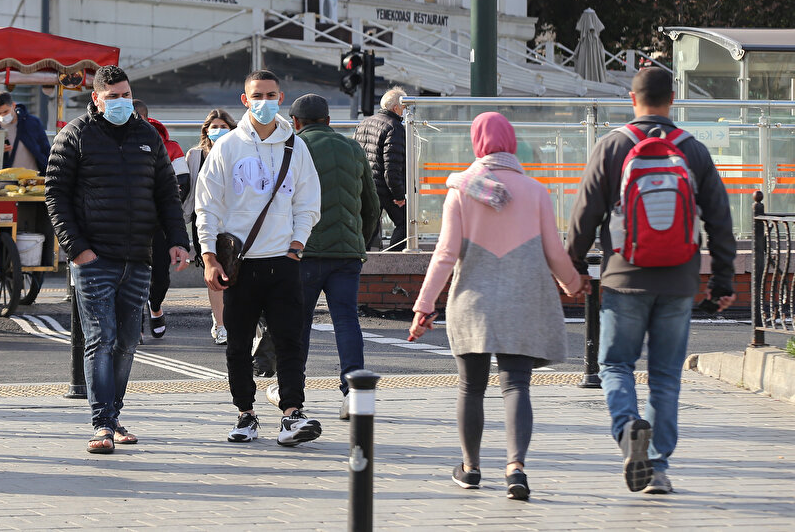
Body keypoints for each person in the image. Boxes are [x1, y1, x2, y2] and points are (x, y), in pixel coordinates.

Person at [567, 67, 736, 496]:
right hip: (679, 279)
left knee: (616, 364)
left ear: (632, 98)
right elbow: (719, 218)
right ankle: (657, 467)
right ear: (672, 98)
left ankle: (628, 432)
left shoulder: (613, 146)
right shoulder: (692, 150)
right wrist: (721, 280)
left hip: (624, 276)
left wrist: (572, 271)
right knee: (665, 376)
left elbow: (584, 217)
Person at [411, 112, 584, 499]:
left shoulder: (460, 189)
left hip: (472, 301)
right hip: (522, 301)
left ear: (477, 143)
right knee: (517, 385)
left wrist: (424, 306)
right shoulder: (536, 190)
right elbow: (554, 251)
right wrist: (573, 284)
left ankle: (470, 468)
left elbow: (444, 254)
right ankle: (515, 468)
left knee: (471, 387)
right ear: (511, 141)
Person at [45, 65, 188, 454]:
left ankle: (112, 414)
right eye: (114, 97)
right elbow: (55, 195)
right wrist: (77, 248)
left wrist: (178, 239)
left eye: (127, 95)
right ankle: (102, 423)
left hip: (138, 258)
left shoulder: (147, 136)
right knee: (101, 338)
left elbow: (167, 195)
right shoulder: (75, 135)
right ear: (96, 98)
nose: (122, 102)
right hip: (94, 259)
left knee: (126, 341)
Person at [197, 69, 323, 447]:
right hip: (242, 264)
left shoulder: (295, 146)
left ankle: (291, 415)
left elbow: (308, 200)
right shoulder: (227, 147)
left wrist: (297, 244)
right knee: (238, 344)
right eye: (257, 95)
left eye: (270, 95)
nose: (264, 102)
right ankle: (245, 413)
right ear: (244, 99)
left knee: (290, 342)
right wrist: (207, 255)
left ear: (281, 98)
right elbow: (207, 206)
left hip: (284, 262)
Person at [287, 94, 380, 422]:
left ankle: (293, 399)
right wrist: (359, 241)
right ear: (328, 120)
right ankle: (353, 394)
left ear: (295, 122)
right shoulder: (352, 148)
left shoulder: (294, 147)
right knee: (346, 319)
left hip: (305, 252)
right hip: (347, 253)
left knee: (298, 324)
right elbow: (372, 204)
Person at [133, 99, 191, 340]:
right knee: (129, 275)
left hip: (157, 223)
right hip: (128, 223)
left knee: (160, 277)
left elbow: (183, 183)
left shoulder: (170, 146)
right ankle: (133, 319)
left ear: (147, 119)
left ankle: (155, 306)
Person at [184, 109, 237, 344]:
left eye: (222, 126)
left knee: (236, 273)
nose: (218, 131)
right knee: (215, 273)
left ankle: (235, 318)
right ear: (206, 130)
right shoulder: (195, 155)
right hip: (205, 220)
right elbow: (189, 191)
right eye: (213, 127)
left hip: (235, 221)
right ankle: (221, 322)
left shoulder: (239, 152)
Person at [353, 87, 407, 250]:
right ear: (396, 108)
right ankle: (394, 261)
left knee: (370, 226)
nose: (405, 113)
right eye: (405, 108)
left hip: (365, 185)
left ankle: (366, 263)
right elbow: (392, 167)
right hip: (385, 188)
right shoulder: (395, 127)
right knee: (406, 224)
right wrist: (399, 195)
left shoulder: (365, 122)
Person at [0, 90, 50, 173]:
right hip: (5, 178)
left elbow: (45, 149)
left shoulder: (32, 122)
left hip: (34, 177)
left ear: (13, 105)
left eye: (6, 111)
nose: (3, 116)